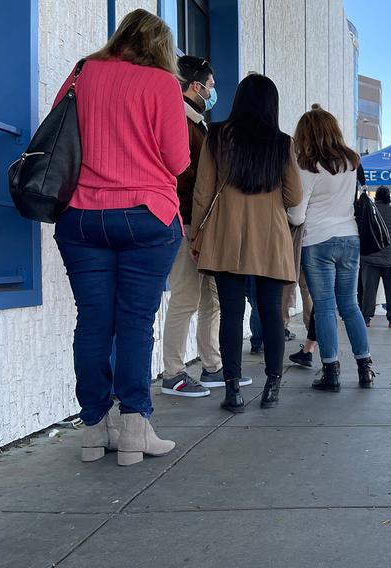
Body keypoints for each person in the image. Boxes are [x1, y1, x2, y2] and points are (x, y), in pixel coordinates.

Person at [52, 9, 187, 465]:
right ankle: (134, 430)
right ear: (160, 46)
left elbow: (58, 133)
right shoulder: (163, 84)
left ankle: (94, 431)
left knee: (92, 322)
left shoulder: (83, 72)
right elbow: (178, 160)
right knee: (134, 322)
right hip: (145, 216)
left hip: (81, 217)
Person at [190, 74, 302, 413]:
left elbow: (203, 191)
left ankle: (233, 391)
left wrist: (196, 235)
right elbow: (294, 194)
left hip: (227, 234)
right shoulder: (282, 143)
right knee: (271, 313)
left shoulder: (218, 136)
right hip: (269, 236)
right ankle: (272, 386)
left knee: (230, 313)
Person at [289, 104, 375, 391]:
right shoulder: (351, 163)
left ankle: (331, 373)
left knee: (325, 308)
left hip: (317, 240)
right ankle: (365, 369)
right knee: (350, 305)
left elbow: (298, 214)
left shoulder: (308, 166)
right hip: (349, 237)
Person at [158, 56, 225, 398]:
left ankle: (212, 365)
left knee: (208, 298)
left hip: (199, 223)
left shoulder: (197, 123)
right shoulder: (181, 123)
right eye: (210, 86)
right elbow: (183, 176)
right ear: (195, 86)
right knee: (185, 296)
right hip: (185, 220)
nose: (213, 92)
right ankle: (173, 372)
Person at [360, 186, 391, 328]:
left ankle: (365, 319)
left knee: (368, 292)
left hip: (369, 257)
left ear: (376, 197)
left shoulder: (369, 211)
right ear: (389, 197)